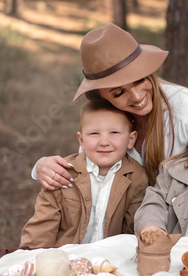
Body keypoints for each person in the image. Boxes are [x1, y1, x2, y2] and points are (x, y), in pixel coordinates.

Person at [32, 23, 188, 189]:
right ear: (101, 96)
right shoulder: (104, 119)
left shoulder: (186, 113)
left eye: (139, 80)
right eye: (118, 93)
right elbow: (87, 173)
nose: (137, 97)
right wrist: (42, 166)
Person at [21, 100, 148, 248]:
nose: (104, 141)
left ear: (130, 140)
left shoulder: (137, 178)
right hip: (64, 257)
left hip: (110, 259)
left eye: (114, 133)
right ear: (81, 140)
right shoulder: (62, 172)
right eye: (94, 133)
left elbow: (132, 231)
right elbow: (42, 227)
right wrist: (34, 258)